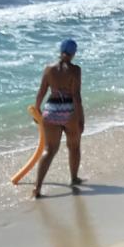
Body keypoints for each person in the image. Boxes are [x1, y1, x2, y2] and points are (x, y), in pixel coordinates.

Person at [33, 38, 84, 198]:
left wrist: (37, 111)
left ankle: (37, 189)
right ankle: (74, 178)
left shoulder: (49, 70)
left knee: (49, 151)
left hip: (51, 111)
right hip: (69, 111)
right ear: (74, 53)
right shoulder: (75, 70)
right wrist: (80, 117)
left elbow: (41, 92)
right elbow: (76, 95)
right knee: (73, 147)